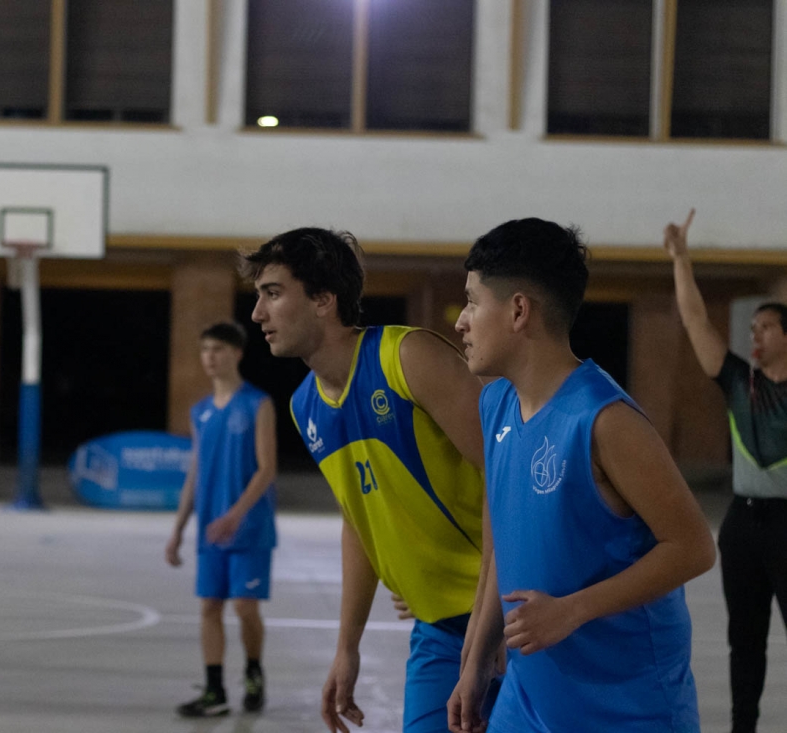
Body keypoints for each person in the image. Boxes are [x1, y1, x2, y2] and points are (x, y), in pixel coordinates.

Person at [449, 218, 716, 733]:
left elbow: (693, 547)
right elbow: (504, 541)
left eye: (472, 302)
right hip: (528, 698)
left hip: (627, 708)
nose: (461, 321)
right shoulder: (495, 403)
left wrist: (573, 610)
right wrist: (477, 661)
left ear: (519, 310)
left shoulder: (604, 418)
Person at [240, 227, 489, 733]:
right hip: (438, 629)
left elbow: (508, 480)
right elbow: (359, 521)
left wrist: (493, 623)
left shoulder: (406, 357)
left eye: (273, 293)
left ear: (323, 300)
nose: (257, 314)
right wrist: (346, 647)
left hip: (511, 616)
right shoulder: (305, 406)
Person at [664, 209, 787, 733]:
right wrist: (681, 259)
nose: (755, 335)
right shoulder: (740, 382)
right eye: (753, 327)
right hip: (742, 524)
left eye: (766, 327)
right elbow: (696, 321)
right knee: (745, 639)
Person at [166, 321, 278, 718]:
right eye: (205, 350)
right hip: (211, 530)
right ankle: (215, 691)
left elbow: (267, 469)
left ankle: (253, 670)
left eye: (217, 349)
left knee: (245, 608)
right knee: (210, 608)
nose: (209, 357)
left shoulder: (258, 404)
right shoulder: (200, 412)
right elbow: (195, 473)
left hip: (249, 528)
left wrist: (236, 514)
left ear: (237, 353)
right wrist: (178, 530)